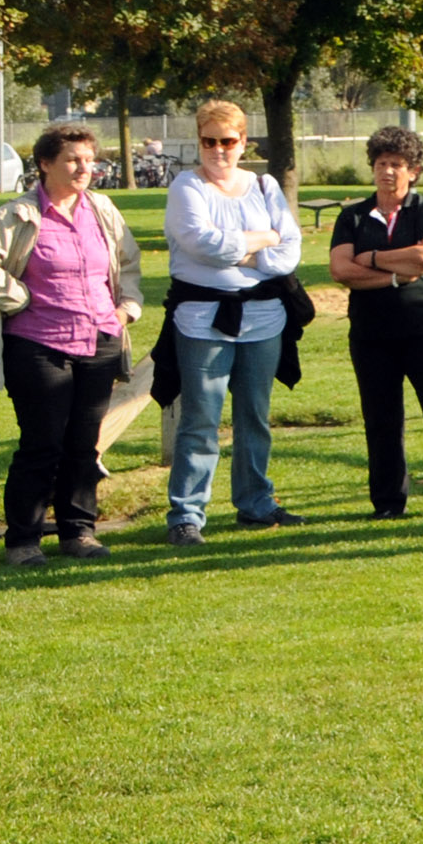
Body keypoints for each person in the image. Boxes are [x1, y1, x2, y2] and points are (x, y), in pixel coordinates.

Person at [0, 125, 145, 565]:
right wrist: (19, 298)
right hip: (38, 346)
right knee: (42, 444)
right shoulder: (16, 215)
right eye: (73, 160)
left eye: (89, 160)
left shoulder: (102, 209)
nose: (84, 168)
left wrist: (126, 309)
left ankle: (78, 533)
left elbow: (128, 263)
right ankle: (23, 541)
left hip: (99, 342)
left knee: (84, 444)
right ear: (44, 164)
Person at [159, 101, 305, 543]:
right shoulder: (187, 186)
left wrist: (249, 253)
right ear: (199, 141)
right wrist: (263, 240)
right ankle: (186, 515)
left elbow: (289, 250)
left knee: (254, 416)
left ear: (243, 142)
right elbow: (201, 243)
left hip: (264, 318)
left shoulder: (264, 185)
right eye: (209, 141)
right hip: (202, 320)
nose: (218, 149)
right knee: (201, 419)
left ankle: (255, 502)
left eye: (227, 140)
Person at [329, 126, 423, 518]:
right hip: (371, 333)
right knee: (382, 420)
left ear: (413, 171)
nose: (388, 171)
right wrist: (397, 274)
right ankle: (388, 504)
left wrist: (372, 259)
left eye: (397, 164)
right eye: (381, 163)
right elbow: (341, 269)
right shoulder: (353, 216)